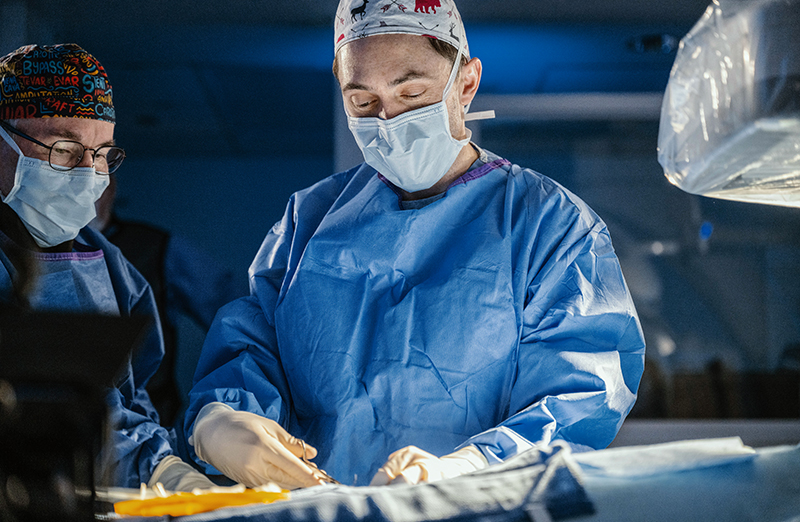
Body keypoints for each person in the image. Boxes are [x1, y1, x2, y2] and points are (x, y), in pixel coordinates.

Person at [185, 0, 646, 489]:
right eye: (363, 102)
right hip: (324, 512)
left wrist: (467, 468)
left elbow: (577, 396)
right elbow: (252, 350)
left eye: (412, 93)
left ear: (465, 84)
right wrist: (220, 419)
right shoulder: (311, 220)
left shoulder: (548, 225)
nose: (388, 120)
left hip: (478, 513)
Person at [0, 43, 213, 491]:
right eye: (63, 149)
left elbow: (130, 406)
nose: (88, 175)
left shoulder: (112, 270)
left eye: (102, 155)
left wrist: (159, 465)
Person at [91, 173, 239, 426]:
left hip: (146, 422)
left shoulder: (156, 248)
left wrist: (228, 405)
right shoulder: (27, 251)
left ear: (111, 187)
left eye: (93, 179)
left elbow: (236, 322)